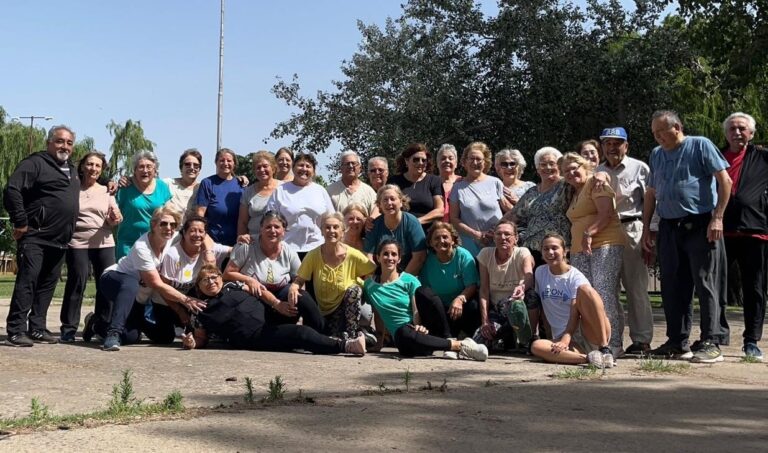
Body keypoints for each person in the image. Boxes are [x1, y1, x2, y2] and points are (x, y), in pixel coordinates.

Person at [643, 110, 732, 363]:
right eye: (654, 133)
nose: (658, 137)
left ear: (677, 127)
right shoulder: (657, 154)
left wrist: (718, 217)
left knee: (706, 282)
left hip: (701, 223)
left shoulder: (700, 145)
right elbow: (651, 193)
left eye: (662, 131)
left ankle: (711, 341)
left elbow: (725, 181)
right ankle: (677, 341)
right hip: (669, 226)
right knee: (672, 285)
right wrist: (647, 227)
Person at [84, 207, 207, 351]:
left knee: (152, 337)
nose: (168, 228)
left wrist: (209, 253)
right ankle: (113, 334)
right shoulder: (142, 247)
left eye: (173, 225)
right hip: (114, 280)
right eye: (163, 224)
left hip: (139, 298)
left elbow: (204, 237)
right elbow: (156, 283)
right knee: (131, 283)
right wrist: (185, 300)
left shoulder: (173, 237)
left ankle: (95, 324)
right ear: (153, 225)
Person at [181, 264, 366, 356]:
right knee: (300, 333)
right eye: (205, 280)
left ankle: (324, 338)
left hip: (271, 315)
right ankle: (347, 346)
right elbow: (201, 338)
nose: (211, 282)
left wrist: (277, 304)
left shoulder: (233, 285)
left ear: (221, 278)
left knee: (299, 296)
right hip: (256, 335)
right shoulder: (200, 310)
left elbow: (261, 293)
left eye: (214, 277)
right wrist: (192, 343)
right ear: (199, 286)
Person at [3, 125, 80, 346]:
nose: (64, 146)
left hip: (60, 239)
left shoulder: (72, 169)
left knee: (47, 285)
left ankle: (37, 327)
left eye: (69, 143)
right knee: (27, 282)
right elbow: (12, 190)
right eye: (59, 141)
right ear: (49, 143)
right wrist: (20, 221)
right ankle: (16, 330)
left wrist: (109, 182)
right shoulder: (35, 163)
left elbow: (93, 179)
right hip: (35, 236)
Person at [364, 239, 488, 360]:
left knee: (424, 291)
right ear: (378, 257)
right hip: (405, 338)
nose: (390, 258)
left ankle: (450, 340)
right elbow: (378, 313)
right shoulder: (370, 286)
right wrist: (379, 343)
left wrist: (418, 326)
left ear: (399, 258)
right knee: (402, 332)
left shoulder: (409, 280)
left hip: (423, 329)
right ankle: (459, 345)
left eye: (394, 254)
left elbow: (416, 309)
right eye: (385, 254)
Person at [596, 127, 655, 355]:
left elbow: (651, 201)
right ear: (602, 147)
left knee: (636, 288)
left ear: (626, 146)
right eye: (608, 143)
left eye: (617, 143)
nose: (612, 148)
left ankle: (641, 340)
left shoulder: (640, 168)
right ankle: (613, 340)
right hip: (604, 232)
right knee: (607, 289)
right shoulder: (596, 171)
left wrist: (649, 232)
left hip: (632, 228)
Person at [561, 152, 625, 358]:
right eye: (566, 171)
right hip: (580, 250)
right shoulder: (574, 192)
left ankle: (613, 344)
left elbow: (606, 213)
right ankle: (593, 344)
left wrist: (589, 233)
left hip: (605, 244)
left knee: (604, 292)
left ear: (585, 167)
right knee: (583, 295)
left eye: (575, 168)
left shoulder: (596, 183)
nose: (571, 173)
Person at [224, 211, 324, 332]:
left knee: (300, 295)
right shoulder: (246, 246)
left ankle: (319, 333)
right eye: (268, 227)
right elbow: (227, 274)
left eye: (277, 227)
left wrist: (295, 291)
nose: (272, 231)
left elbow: (299, 279)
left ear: (284, 231)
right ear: (261, 229)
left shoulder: (289, 251)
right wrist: (249, 280)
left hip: (281, 301)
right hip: (254, 301)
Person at [60, 152, 123, 343]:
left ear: (101, 170)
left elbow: (115, 218)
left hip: (104, 241)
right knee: (77, 281)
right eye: (89, 164)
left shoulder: (106, 191)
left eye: (97, 166)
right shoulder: (72, 188)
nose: (93, 169)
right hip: (77, 241)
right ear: (82, 166)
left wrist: (114, 218)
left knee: (106, 284)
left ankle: (101, 325)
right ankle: (69, 328)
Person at [721, 112, 767, 361]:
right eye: (732, 128)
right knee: (715, 286)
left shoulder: (762, 157)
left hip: (755, 231)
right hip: (720, 230)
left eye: (742, 128)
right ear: (725, 133)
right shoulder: (715, 156)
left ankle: (751, 341)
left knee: (755, 288)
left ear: (751, 133)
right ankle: (715, 336)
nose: (737, 132)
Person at [530, 234, 615, 367]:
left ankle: (604, 349)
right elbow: (545, 308)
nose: (550, 252)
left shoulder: (575, 277)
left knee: (586, 290)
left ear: (565, 251)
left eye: (554, 248)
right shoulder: (540, 273)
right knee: (536, 346)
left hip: (587, 332)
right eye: (546, 249)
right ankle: (590, 358)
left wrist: (566, 337)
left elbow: (575, 311)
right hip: (565, 340)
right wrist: (552, 336)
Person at [289, 212, 376, 338]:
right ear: (321, 231)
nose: (331, 231)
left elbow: (372, 271)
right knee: (330, 336)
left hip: (348, 308)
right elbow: (300, 279)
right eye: (327, 227)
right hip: (323, 311)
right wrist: (294, 286)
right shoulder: (313, 255)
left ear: (342, 231)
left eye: (335, 227)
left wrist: (364, 286)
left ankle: (352, 335)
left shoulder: (352, 254)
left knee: (354, 290)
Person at [506, 147, 573, 265]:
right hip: (532, 249)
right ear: (537, 169)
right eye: (543, 164)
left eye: (552, 163)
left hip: (557, 249)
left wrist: (601, 174)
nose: (548, 167)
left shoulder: (566, 185)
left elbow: (584, 177)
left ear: (559, 166)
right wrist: (495, 230)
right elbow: (513, 215)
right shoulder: (532, 192)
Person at [476, 221, 535, 352]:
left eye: (507, 234)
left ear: (516, 238)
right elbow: (484, 290)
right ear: (494, 237)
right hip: (497, 309)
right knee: (481, 340)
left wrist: (522, 287)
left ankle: (530, 338)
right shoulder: (485, 254)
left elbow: (529, 277)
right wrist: (485, 321)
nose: (503, 237)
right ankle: (508, 337)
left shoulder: (522, 252)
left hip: (517, 306)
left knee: (532, 296)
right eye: (499, 234)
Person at [418, 222, 480, 344]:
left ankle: (468, 335)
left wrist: (459, 299)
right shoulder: (427, 260)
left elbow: (472, 285)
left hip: (460, 308)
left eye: (445, 237)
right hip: (440, 310)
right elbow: (425, 289)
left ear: (453, 240)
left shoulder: (464, 256)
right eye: (436, 238)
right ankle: (444, 335)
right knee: (421, 293)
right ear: (430, 243)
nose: (441, 241)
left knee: (473, 304)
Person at [266, 153, 335, 256]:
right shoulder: (280, 191)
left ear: (313, 171)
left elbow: (331, 218)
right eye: (301, 165)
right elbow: (269, 219)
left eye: (308, 166)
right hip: (287, 248)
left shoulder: (320, 191)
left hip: (317, 247)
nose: (304, 169)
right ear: (293, 168)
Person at [450, 142, 509, 255]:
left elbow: (509, 210)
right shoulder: (457, 187)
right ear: (465, 162)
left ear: (485, 162)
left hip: (496, 242)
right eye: (471, 159)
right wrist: (476, 234)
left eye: (479, 159)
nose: (475, 162)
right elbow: (454, 219)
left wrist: (497, 230)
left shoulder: (495, 183)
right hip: (470, 244)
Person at [115, 151, 172, 259]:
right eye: (141, 167)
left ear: (155, 170)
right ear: (135, 170)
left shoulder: (162, 186)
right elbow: (113, 211)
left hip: (155, 245)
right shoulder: (125, 187)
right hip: (128, 246)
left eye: (149, 167)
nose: (145, 170)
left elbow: (169, 214)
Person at [364, 185, 427, 275]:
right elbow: (368, 257)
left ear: (401, 202)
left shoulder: (411, 222)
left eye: (392, 199)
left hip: (409, 275)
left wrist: (401, 280)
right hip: (382, 276)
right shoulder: (374, 225)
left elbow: (419, 257)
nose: (389, 203)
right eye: (385, 200)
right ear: (379, 205)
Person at [389, 143, 444, 230]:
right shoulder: (394, 181)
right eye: (416, 160)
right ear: (406, 161)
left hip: (427, 233)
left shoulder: (435, 181)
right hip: (400, 230)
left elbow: (440, 211)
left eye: (424, 160)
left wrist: (416, 222)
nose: (420, 163)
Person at [195, 148, 243, 246]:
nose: (225, 163)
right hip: (212, 242)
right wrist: (203, 238)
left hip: (236, 243)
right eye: (221, 160)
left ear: (234, 163)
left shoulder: (241, 185)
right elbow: (200, 214)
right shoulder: (207, 183)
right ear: (216, 162)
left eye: (229, 161)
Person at [236, 150, 279, 243]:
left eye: (265, 166)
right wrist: (241, 241)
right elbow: (243, 222)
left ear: (273, 168)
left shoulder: (283, 188)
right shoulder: (248, 192)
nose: (262, 170)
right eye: (258, 167)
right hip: (254, 242)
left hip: (279, 242)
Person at [326, 151, 378, 219]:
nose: (350, 166)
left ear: (360, 168)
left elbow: (376, 214)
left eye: (354, 163)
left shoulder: (369, 192)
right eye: (347, 164)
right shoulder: (330, 191)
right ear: (340, 168)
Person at [163, 148, 203, 221]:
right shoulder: (167, 184)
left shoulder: (203, 189)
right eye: (187, 164)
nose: (192, 167)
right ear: (181, 167)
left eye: (196, 165)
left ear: (199, 169)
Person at [435, 144, 462, 222]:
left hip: (460, 227)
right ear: (437, 163)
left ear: (456, 163)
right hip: (436, 227)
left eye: (451, 158)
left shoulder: (463, 182)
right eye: (443, 158)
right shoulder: (431, 183)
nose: (447, 161)